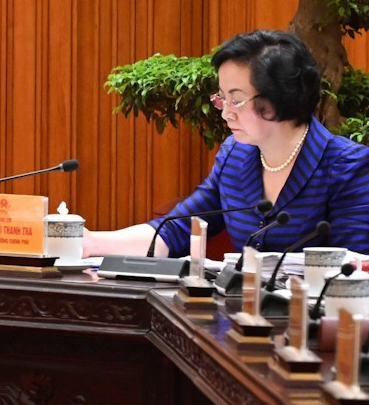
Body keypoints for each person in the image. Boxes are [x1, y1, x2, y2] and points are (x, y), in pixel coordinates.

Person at [83, 29, 369, 257]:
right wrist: (91, 242)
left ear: (280, 98)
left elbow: (351, 271)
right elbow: (175, 229)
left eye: (237, 99)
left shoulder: (347, 167)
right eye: (221, 97)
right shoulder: (235, 155)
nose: (225, 111)